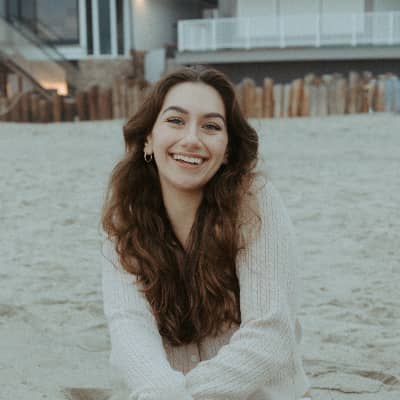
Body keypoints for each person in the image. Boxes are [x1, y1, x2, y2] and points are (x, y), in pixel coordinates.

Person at [100, 65, 312, 400]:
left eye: (211, 126)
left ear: (227, 150)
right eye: (176, 120)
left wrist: (177, 397)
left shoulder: (254, 201)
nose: (191, 139)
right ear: (148, 139)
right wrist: (162, 392)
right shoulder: (126, 215)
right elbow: (129, 327)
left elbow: (270, 332)